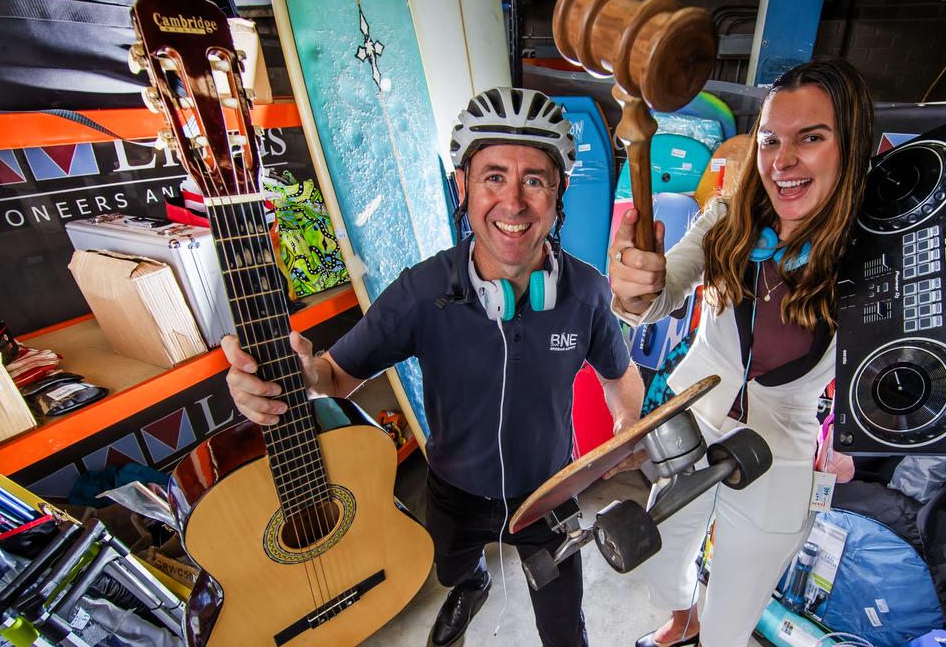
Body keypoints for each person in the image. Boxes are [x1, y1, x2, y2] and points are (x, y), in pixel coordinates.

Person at [608, 57, 946, 647]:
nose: (782, 161)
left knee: (739, 595)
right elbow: (662, 292)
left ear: (850, 147)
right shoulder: (728, 217)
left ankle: (711, 629)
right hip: (692, 415)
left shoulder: (886, 253)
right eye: (771, 140)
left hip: (783, 447)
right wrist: (633, 288)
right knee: (663, 548)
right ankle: (680, 619)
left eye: (811, 138)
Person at [223, 87, 643, 647]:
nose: (513, 202)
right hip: (454, 493)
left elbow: (622, 377)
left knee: (565, 626)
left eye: (534, 180)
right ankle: (472, 586)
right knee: (454, 577)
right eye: (494, 176)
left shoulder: (586, 291)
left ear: (559, 192)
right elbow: (337, 375)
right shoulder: (421, 292)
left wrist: (625, 431)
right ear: (464, 187)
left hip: (551, 492)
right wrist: (293, 376)